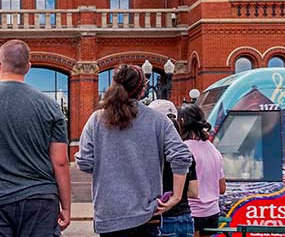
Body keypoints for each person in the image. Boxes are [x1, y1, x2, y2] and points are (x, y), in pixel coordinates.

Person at [0, 39, 72, 237]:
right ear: (28, 67)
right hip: (40, 199)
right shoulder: (50, 106)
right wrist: (66, 206)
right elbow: (60, 162)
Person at [75, 64, 192, 237]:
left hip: (109, 214)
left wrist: (109, 165)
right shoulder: (157, 120)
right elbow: (181, 155)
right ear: (142, 90)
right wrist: (176, 197)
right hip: (147, 213)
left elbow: (84, 161)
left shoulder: (97, 119)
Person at [148, 100, 198, 237]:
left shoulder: (153, 153)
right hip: (186, 218)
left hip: (162, 220)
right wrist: (177, 193)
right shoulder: (185, 152)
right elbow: (194, 191)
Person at [178, 104, 225, 237]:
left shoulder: (183, 149)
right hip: (212, 214)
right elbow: (222, 188)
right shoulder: (213, 150)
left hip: (192, 213)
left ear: (181, 122)